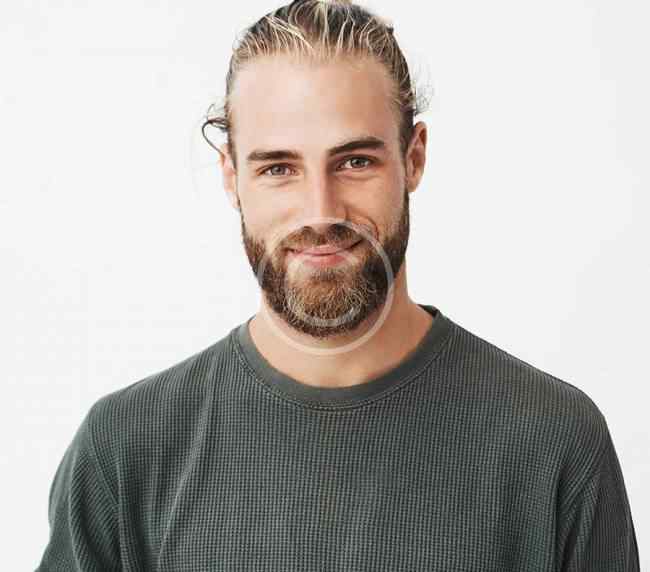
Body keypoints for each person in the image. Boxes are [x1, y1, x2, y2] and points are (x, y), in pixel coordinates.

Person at [36, 1, 640, 570]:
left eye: (355, 161)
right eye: (279, 168)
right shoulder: (125, 451)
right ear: (231, 175)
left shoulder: (552, 440)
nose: (320, 211)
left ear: (414, 158)